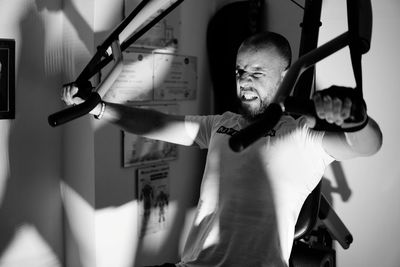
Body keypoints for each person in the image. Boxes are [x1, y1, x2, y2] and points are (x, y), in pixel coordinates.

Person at [62, 31, 382, 267]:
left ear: (287, 79)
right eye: (239, 72)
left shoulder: (301, 136)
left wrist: (356, 120)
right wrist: (98, 107)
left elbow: (367, 145)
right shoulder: (221, 124)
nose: (243, 82)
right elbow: (156, 123)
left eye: (257, 73)